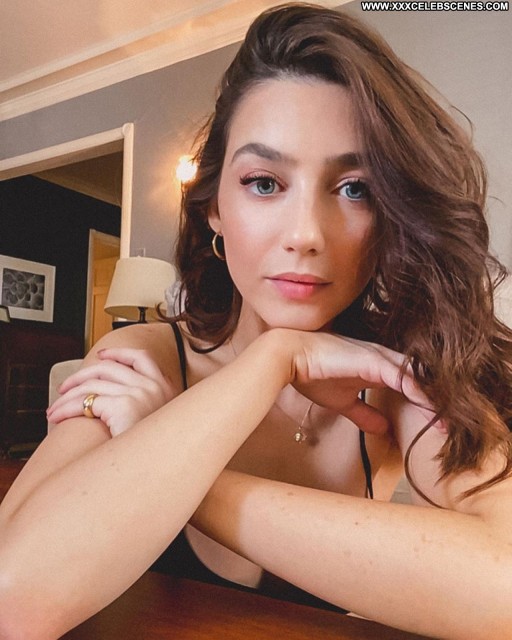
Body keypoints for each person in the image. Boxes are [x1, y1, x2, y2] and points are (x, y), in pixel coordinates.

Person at [1, 3, 512, 638]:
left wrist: (195, 478)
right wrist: (277, 360)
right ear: (214, 206)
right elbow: (14, 597)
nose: (306, 234)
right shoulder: (146, 355)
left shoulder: (394, 380)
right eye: (265, 182)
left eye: (355, 188)